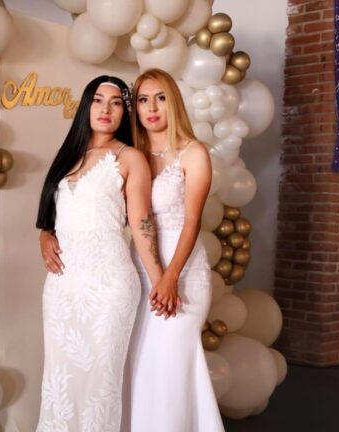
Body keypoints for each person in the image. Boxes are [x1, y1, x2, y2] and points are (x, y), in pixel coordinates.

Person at [35, 75, 163, 431]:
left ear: (124, 113)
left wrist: (160, 280)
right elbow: (55, 213)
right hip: (62, 286)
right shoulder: (68, 156)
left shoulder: (130, 157)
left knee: (100, 384)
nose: (106, 109)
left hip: (109, 285)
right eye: (98, 100)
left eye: (116, 103)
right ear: (86, 107)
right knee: (59, 380)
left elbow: (142, 222)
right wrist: (45, 235)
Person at [123, 69, 224, 432]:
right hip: (138, 272)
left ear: (174, 102)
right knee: (140, 368)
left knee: (171, 368)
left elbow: (192, 221)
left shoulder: (193, 152)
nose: (152, 108)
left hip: (184, 274)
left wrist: (170, 277)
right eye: (143, 100)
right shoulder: (130, 155)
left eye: (161, 98)